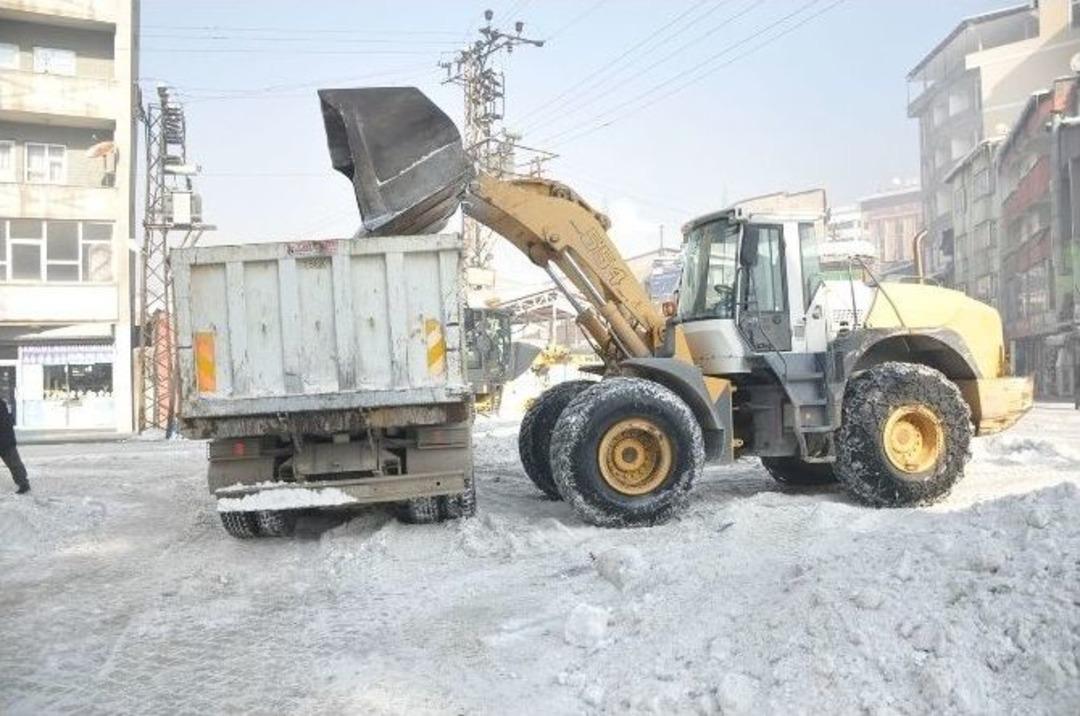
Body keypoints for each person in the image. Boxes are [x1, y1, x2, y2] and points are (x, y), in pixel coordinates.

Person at [0, 398, 29, 494]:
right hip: (6, 440)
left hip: (5, 441)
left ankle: (24, 484)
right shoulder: (3, 404)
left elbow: (6, 422)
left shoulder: (2, 405)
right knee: (15, 463)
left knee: (14, 464)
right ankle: (23, 483)